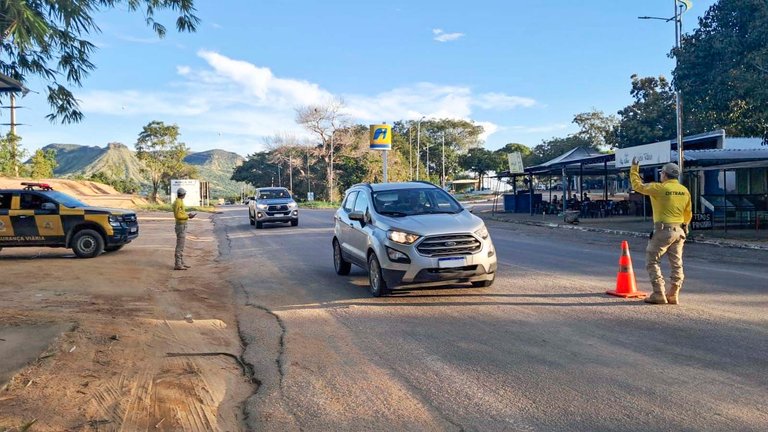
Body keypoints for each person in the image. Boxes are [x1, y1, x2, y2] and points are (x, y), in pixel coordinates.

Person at [630, 159, 692, 305]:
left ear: (664, 174)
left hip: (663, 230)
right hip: (679, 231)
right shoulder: (684, 191)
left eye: (661, 173)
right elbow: (688, 212)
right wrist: (685, 226)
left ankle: (659, 293)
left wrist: (634, 169)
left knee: (652, 261)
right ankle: (673, 294)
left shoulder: (658, 188)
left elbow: (637, 186)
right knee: (676, 264)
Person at [173, 187, 196, 270]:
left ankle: (181, 262)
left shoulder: (179, 201)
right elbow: (178, 215)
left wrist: (187, 215)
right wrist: (187, 216)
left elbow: (180, 213)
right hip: (181, 225)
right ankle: (178, 264)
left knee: (181, 245)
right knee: (180, 245)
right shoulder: (178, 202)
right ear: (183, 194)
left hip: (182, 225)